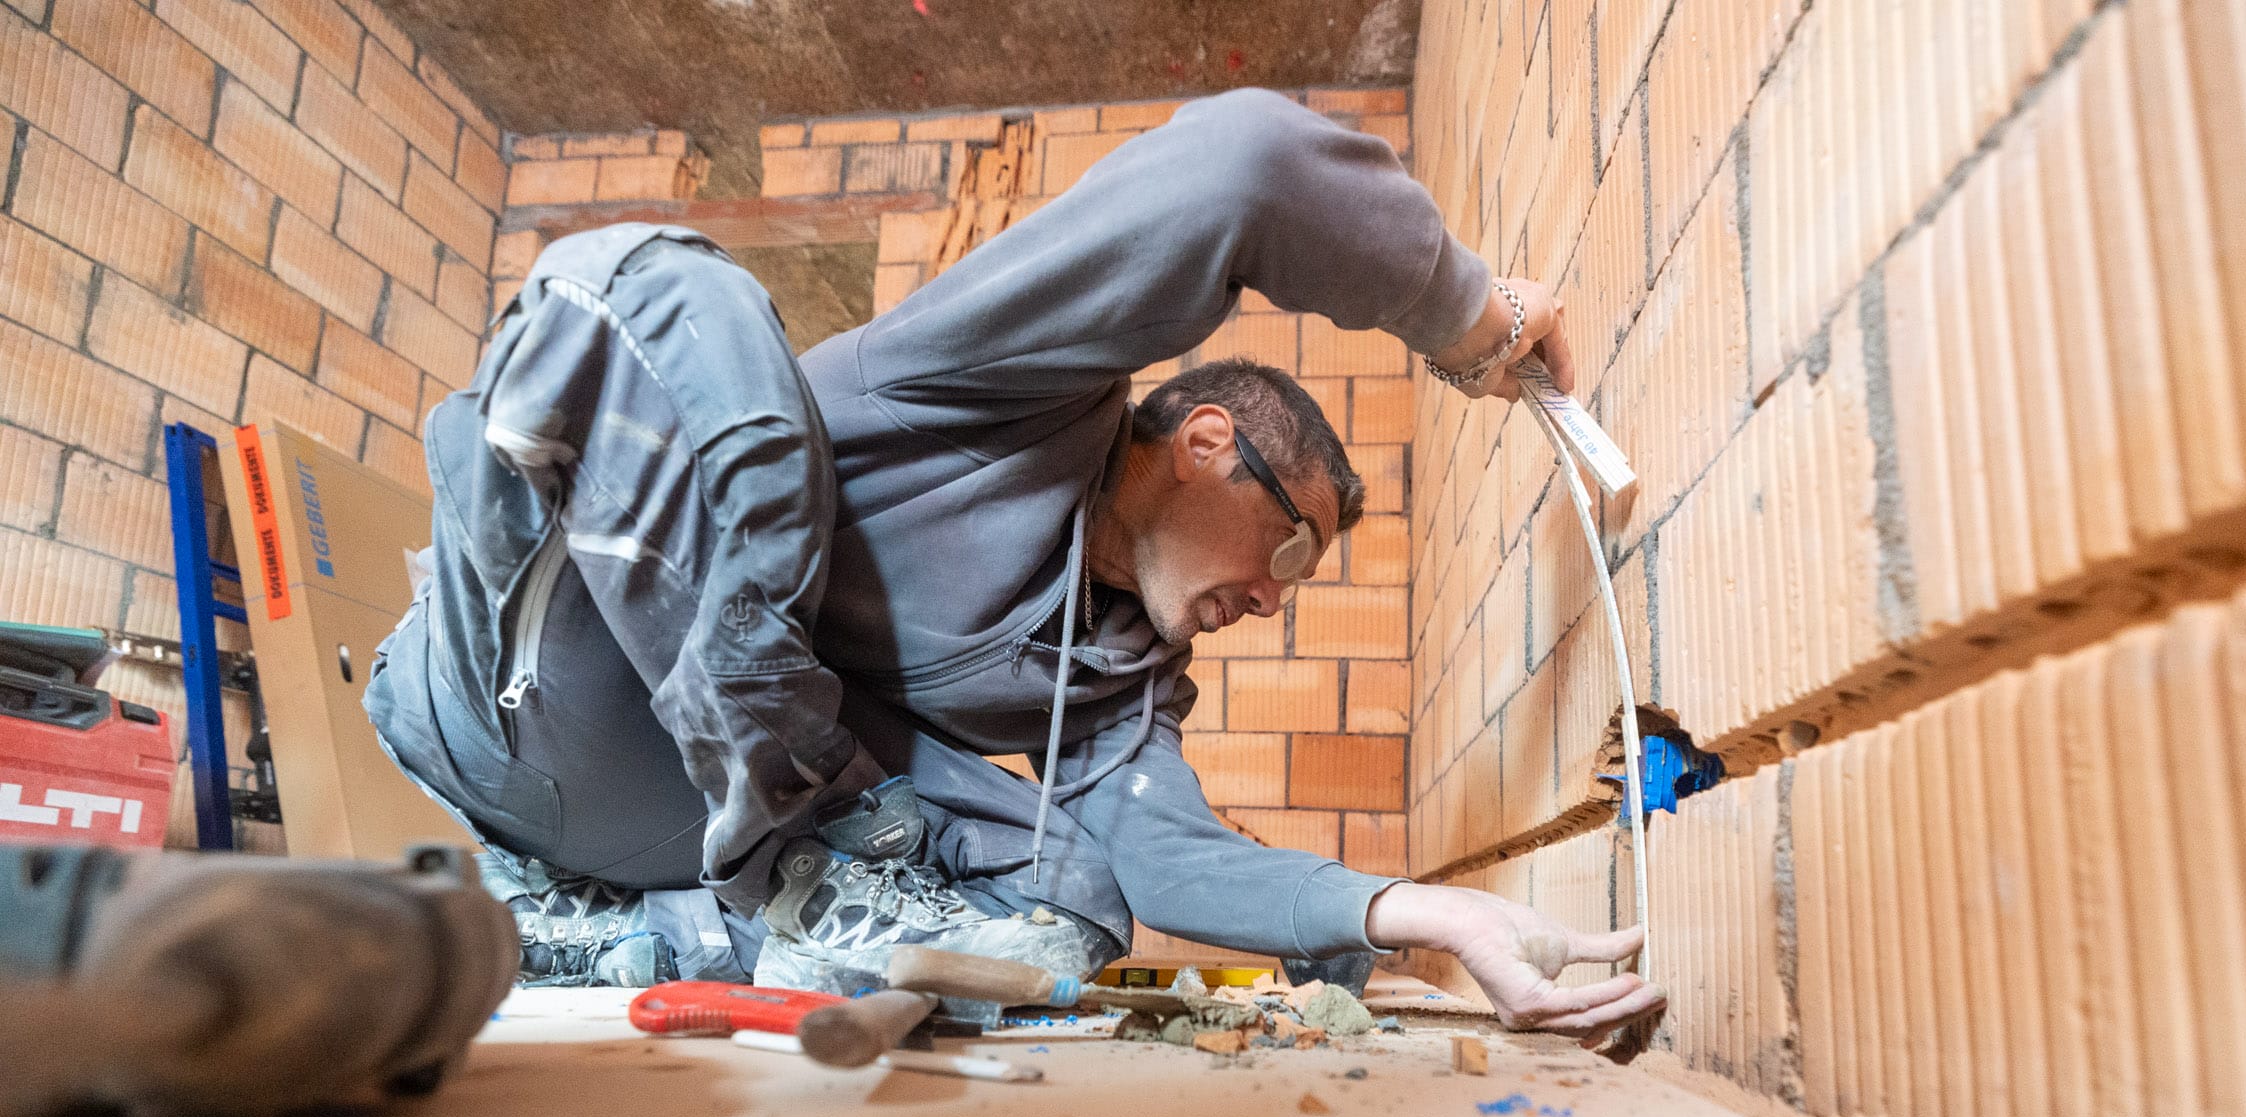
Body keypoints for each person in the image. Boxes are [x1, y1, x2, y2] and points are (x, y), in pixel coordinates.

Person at [365, 89, 1664, 1035]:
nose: (1270, 599)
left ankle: (610, 931)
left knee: (1075, 891)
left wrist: (1440, 917)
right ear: (1206, 444)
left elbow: (1173, 862)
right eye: (1290, 547)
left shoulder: (1117, 685)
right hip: (536, 679)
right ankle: (783, 877)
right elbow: (1250, 168)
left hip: (662, 826)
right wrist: (1466, 318)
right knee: (663, 290)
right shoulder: (1012, 393)